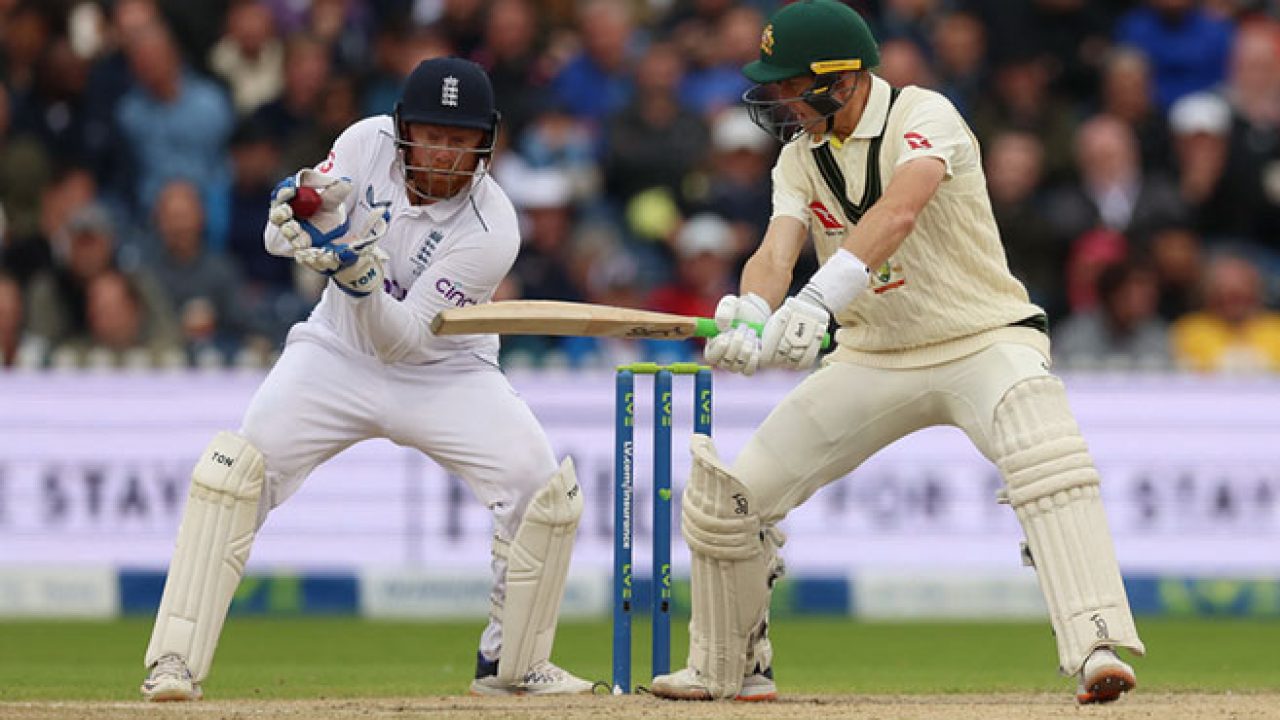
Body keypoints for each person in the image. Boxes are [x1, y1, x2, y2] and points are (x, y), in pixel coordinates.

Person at [650, 0, 1145, 705]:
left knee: (1044, 449)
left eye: (792, 84)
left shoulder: (924, 115)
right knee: (731, 500)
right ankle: (728, 667)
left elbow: (900, 211)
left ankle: (1096, 641)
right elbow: (774, 248)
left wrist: (816, 302)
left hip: (982, 339)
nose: (783, 101)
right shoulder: (798, 158)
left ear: (842, 79)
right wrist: (753, 315)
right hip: (872, 356)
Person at [139, 57, 595, 701]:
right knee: (234, 474)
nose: (443, 154)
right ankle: (174, 662)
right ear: (404, 127)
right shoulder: (363, 141)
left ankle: (510, 666)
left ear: (485, 145)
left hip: (447, 372)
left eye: (461, 140)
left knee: (540, 493)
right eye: (433, 134)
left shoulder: (494, 230)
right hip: (334, 356)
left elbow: (405, 338)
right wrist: (296, 212)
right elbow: (297, 226)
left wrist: (357, 281)